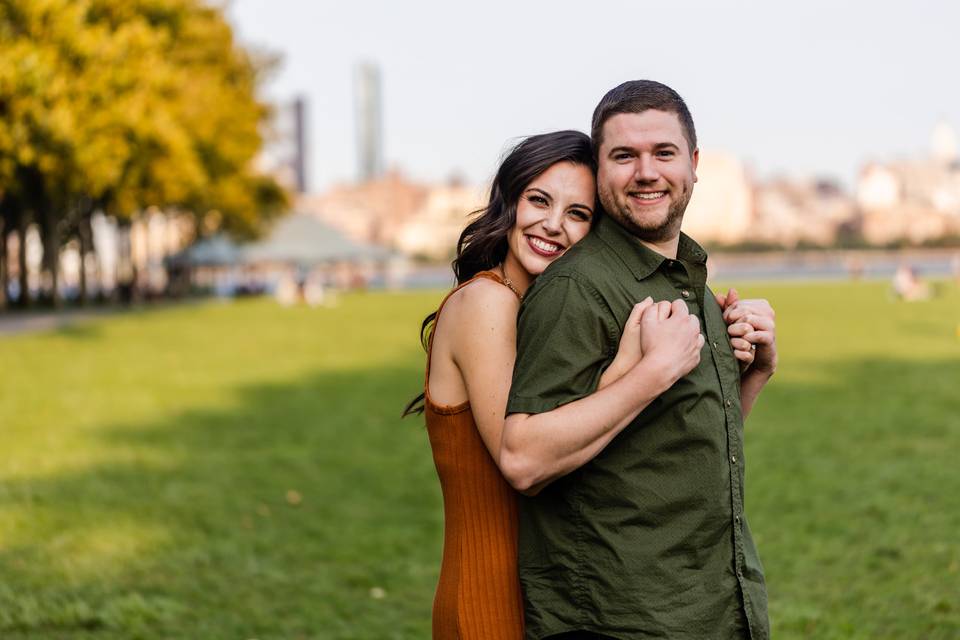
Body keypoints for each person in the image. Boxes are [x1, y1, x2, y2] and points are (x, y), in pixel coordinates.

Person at [405, 129, 764, 639]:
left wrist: (744, 372)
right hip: (489, 595)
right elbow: (526, 461)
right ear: (508, 203)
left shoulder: (543, 313)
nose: (553, 224)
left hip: (552, 595)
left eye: (578, 214)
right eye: (538, 200)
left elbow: (645, 449)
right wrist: (640, 369)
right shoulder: (487, 304)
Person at [501, 81, 778, 639]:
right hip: (621, 617)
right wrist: (649, 376)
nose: (645, 172)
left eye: (664, 153)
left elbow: (681, 446)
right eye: (624, 156)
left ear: (694, 165)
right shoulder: (577, 287)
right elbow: (524, 459)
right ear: (600, 171)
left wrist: (757, 373)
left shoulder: (690, 281)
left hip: (718, 606)